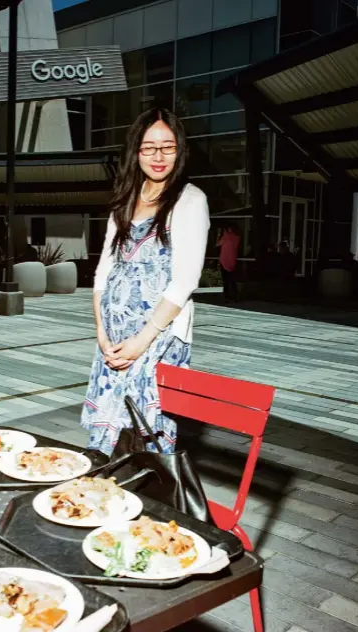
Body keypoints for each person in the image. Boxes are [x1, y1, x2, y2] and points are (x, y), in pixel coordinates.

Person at [81, 108, 210, 456]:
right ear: (136, 151)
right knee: (106, 442)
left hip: (157, 339)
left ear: (179, 151)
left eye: (167, 147)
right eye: (148, 147)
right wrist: (102, 335)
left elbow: (185, 282)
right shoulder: (125, 201)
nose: (157, 156)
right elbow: (102, 275)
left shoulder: (190, 200)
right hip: (115, 342)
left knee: (147, 440)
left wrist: (141, 341)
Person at [216, 221, 241, 302]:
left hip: (224, 260)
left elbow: (217, 244)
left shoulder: (226, 236)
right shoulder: (237, 237)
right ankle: (235, 295)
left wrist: (220, 234)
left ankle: (227, 296)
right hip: (232, 260)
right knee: (232, 279)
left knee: (225, 279)